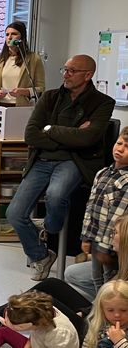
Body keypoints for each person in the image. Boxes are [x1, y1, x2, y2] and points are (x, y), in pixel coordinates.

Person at [9, 54, 115, 281]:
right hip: (42, 160)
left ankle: (49, 230)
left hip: (74, 162)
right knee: (15, 214)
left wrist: (50, 129)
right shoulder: (50, 98)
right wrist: (73, 134)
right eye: (64, 69)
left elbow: (89, 139)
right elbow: (31, 135)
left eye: (72, 71)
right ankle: (41, 255)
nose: (66, 75)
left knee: (55, 195)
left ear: (88, 75)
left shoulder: (103, 103)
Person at [79, 126, 128, 295]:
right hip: (94, 238)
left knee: (109, 280)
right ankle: (98, 306)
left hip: (108, 244)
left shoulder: (126, 182)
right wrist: (86, 237)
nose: (120, 149)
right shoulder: (102, 173)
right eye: (119, 143)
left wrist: (106, 247)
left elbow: (116, 217)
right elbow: (90, 207)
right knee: (95, 277)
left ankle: (106, 306)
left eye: (127, 147)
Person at [0, 21, 46, 135]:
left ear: (22, 37)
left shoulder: (34, 60)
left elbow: (40, 88)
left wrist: (24, 91)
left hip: (20, 109)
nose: (9, 37)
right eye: (7, 34)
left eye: (14, 34)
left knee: (16, 143)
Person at [0, 291, 80, 348]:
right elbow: (34, 337)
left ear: (26, 325)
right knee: (3, 331)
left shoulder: (59, 333)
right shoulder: (40, 313)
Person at [83, 279, 128, 348]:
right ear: (101, 309)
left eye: (123, 310)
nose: (117, 315)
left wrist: (119, 341)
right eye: (110, 310)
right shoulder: (97, 325)